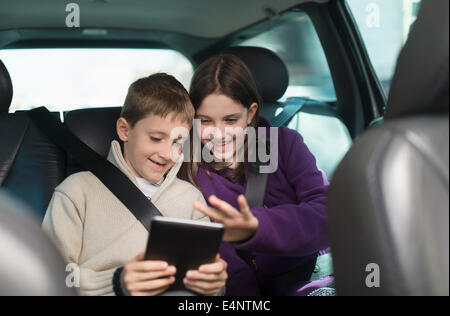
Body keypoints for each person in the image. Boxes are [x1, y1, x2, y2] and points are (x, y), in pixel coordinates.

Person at [42, 73, 227, 296]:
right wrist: (115, 282)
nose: (167, 153)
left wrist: (214, 285)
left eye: (178, 143)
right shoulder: (76, 192)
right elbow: (47, 276)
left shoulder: (191, 199)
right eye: (156, 138)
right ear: (124, 130)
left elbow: (210, 287)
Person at [181, 55, 330, 296]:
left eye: (231, 120)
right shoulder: (189, 169)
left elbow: (327, 214)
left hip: (308, 279)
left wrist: (258, 227)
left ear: (250, 114)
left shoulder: (284, 145)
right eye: (205, 121)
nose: (218, 134)